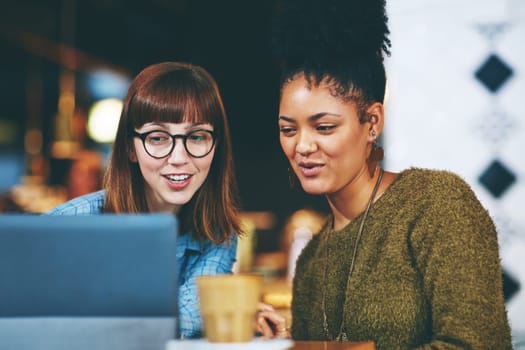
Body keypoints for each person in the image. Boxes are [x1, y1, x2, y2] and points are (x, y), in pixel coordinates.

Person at [257, 0, 513, 348]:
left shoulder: (434, 205)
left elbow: (477, 345)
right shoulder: (312, 261)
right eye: (288, 130)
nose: (302, 146)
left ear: (372, 122)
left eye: (325, 127)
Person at [45, 61, 242, 339]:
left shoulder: (218, 235)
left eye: (197, 136)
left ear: (216, 146)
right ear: (130, 148)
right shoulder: (69, 225)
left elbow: (189, 318)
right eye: (158, 137)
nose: (179, 158)